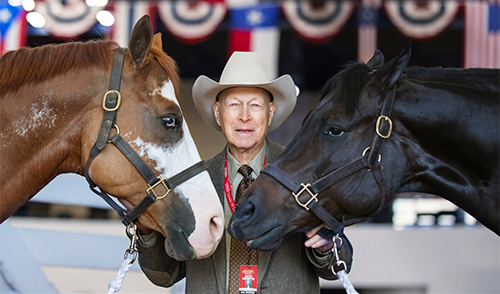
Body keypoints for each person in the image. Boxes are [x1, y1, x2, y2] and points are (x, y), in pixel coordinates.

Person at [135, 51, 337, 293]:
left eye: (255, 105)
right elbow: (166, 273)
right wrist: (145, 228)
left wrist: (326, 246)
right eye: (234, 105)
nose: (244, 116)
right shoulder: (193, 182)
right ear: (218, 113)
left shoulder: (304, 172)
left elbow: (335, 269)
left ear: (270, 112)